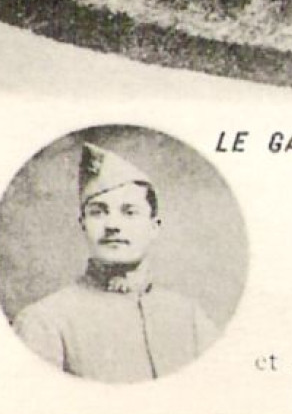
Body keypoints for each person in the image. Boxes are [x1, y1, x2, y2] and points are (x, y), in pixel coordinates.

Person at [12, 143, 219, 382]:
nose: (113, 225)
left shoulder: (190, 318)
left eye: (129, 212)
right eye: (98, 212)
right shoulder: (44, 323)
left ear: (154, 227)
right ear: (83, 225)